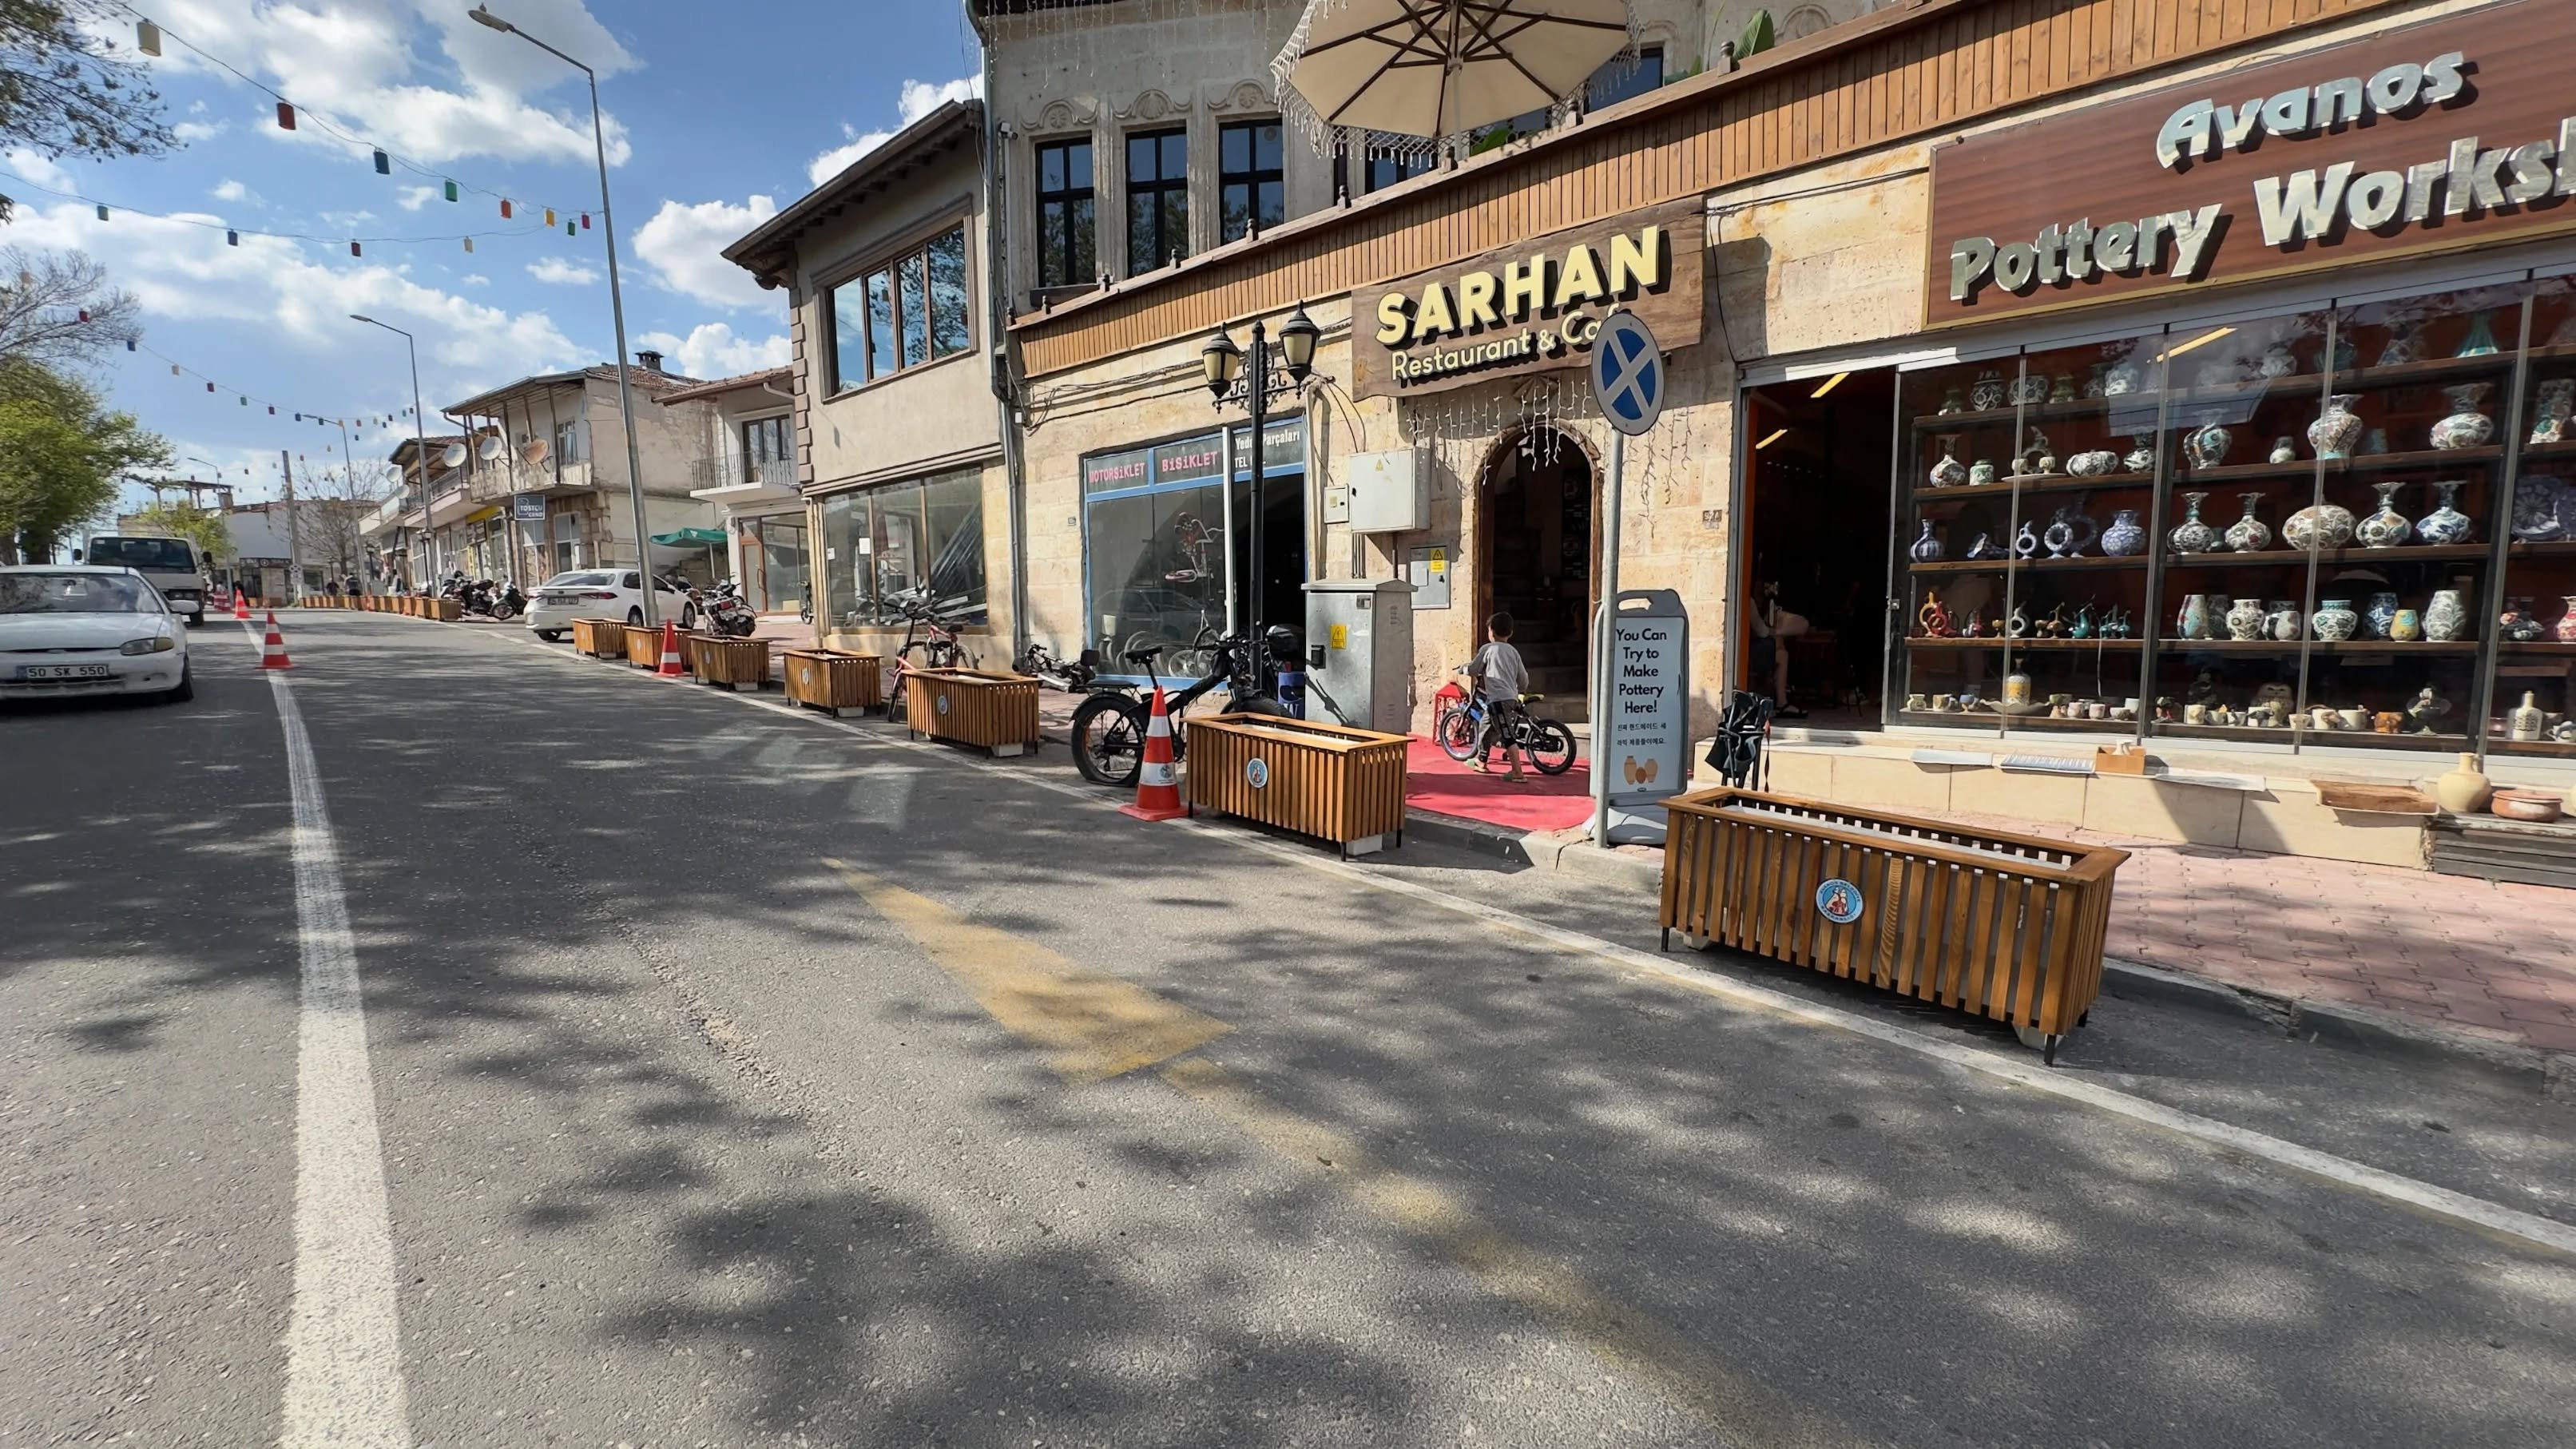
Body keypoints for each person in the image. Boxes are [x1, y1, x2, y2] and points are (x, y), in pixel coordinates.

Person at [1459, 610, 1531, 781]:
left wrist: (1463, 669)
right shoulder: (1513, 652)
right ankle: (1481, 761)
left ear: (1491, 631)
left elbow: (1474, 669)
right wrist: (1521, 690)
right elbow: (1523, 678)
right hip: (1508, 698)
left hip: (1499, 700)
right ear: (1510, 632)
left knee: (1507, 735)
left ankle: (1517, 773)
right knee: (1485, 726)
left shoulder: (1488, 649)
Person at [1745, 580, 1808, 719]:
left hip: (1754, 650)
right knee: (1780, 653)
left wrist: (1776, 632)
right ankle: (1780, 701)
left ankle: (1781, 702)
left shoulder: (1767, 605)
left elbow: (1803, 625)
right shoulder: (1747, 601)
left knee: (1781, 653)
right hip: (1746, 653)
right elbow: (1761, 631)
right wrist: (1773, 632)